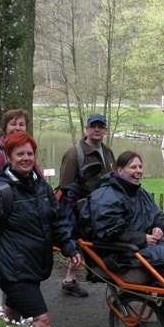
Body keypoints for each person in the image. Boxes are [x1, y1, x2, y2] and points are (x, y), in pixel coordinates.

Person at [0, 132, 81, 327]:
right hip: (11, 268)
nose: (26, 158)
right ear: (9, 157)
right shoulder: (0, 193)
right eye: (20, 154)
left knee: (12, 315)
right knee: (41, 319)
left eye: (30, 153)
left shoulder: (42, 189)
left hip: (33, 265)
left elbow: (57, 220)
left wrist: (69, 247)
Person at [81, 151, 164, 327]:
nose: (138, 170)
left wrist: (159, 227)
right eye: (133, 167)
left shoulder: (138, 192)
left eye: (140, 166)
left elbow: (158, 214)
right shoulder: (107, 195)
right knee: (162, 256)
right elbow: (109, 230)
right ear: (119, 170)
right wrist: (142, 238)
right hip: (118, 251)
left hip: (139, 246)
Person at [58, 113, 115, 297]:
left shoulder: (107, 152)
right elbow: (64, 186)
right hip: (80, 209)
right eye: (93, 126)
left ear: (105, 129)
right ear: (86, 128)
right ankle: (81, 279)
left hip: (102, 208)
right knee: (80, 245)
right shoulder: (74, 154)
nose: (96, 129)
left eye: (100, 126)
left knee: (92, 245)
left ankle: (71, 280)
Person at [0, 109, 43, 191]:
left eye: (21, 124)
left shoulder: (27, 151)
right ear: (5, 128)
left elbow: (41, 182)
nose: (18, 128)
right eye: (13, 124)